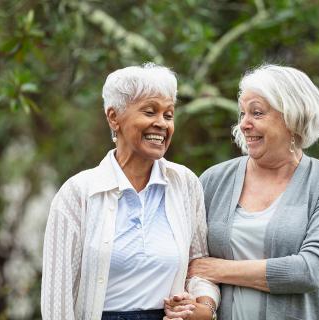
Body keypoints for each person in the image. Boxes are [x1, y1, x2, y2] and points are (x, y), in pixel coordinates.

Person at [166, 64, 319, 320]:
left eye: (257, 113)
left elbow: (314, 269)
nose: (244, 124)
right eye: (242, 113)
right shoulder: (213, 180)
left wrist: (220, 269)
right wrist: (200, 306)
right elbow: (192, 264)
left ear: (293, 118)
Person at [41, 63, 219, 320]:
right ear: (114, 117)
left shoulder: (185, 184)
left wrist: (203, 306)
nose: (161, 124)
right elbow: (56, 301)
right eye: (150, 112)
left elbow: (199, 266)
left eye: (168, 115)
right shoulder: (78, 193)